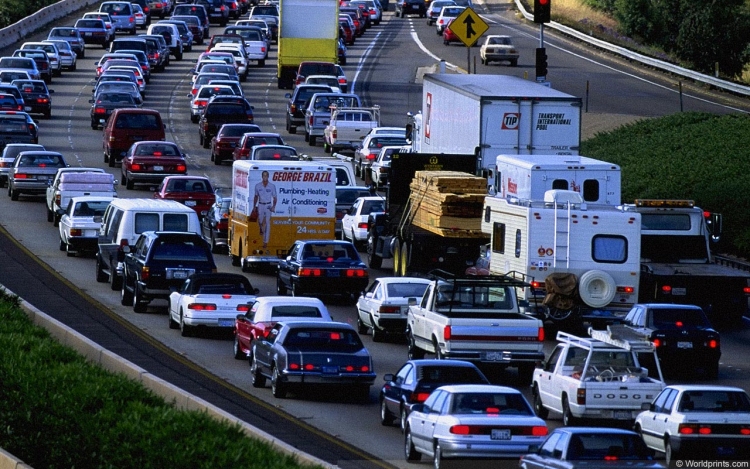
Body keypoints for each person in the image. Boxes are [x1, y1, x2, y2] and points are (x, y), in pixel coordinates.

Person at [253, 170, 276, 250]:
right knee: (260, 220)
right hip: (260, 204)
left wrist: (273, 206)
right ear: (262, 177)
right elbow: (256, 196)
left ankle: (265, 242)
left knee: (267, 223)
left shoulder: (272, 186)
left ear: (268, 177)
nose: (265, 177)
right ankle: (261, 229)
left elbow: (275, 197)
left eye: (266, 176)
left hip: (268, 205)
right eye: (264, 176)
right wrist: (254, 206)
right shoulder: (258, 186)